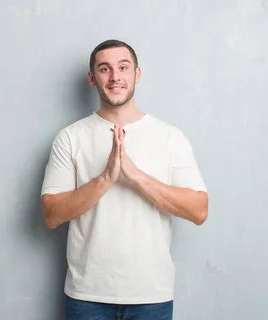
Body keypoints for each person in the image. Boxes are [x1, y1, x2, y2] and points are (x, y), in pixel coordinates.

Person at [40, 39, 209, 320]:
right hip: (87, 297)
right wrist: (105, 178)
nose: (115, 76)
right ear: (92, 78)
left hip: (151, 297)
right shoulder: (70, 138)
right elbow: (51, 215)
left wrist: (135, 175)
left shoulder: (170, 137)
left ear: (137, 74)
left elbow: (199, 210)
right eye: (105, 69)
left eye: (123, 67)